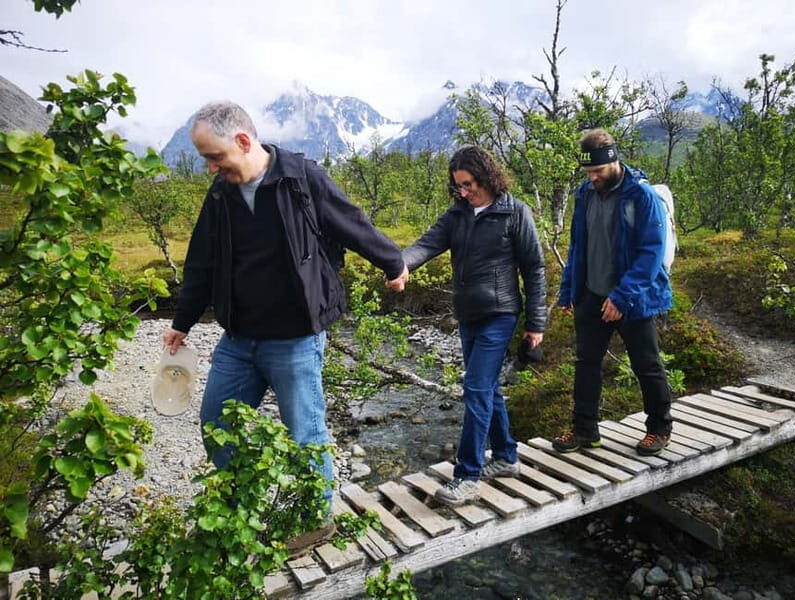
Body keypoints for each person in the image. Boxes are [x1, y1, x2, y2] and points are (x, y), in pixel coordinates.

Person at [162, 101, 408, 548]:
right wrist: (183, 321)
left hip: (295, 337)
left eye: (214, 157)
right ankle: (237, 512)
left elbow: (350, 220)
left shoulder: (300, 177)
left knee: (305, 431)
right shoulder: (220, 194)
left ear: (242, 140)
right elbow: (201, 261)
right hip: (238, 339)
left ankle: (316, 520)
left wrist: (392, 262)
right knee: (216, 422)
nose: (210, 167)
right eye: (204, 159)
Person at [402, 145, 547, 507]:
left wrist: (536, 324)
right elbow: (425, 245)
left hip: (501, 314)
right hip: (468, 315)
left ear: (486, 176)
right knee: (488, 390)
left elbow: (534, 270)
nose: (464, 192)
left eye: (468, 184)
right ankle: (506, 456)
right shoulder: (457, 215)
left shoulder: (515, 213)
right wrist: (399, 266)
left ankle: (466, 475)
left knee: (477, 388)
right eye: (458, 186)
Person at [554, 128, 673, 456]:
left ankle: (659, 428)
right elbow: (578, 245)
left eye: (598, 171)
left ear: (614, 161)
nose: (592, 177)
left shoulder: (640, 196)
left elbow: (651, 252)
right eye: (588, 172)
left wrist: (621, 298)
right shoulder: (585, 193)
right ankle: (585, 431)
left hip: (633, 298)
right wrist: (568, 291)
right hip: (592, 294)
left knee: (646, 363)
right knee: (586, 362)